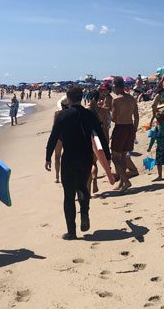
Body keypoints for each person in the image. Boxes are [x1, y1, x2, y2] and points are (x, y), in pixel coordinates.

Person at [46, 86, 111, 240]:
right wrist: (107, 157)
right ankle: (85, 212)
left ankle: (71, 232)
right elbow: (100, 137)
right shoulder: (89, 115)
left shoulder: (63, 116)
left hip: (69, 158)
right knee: (82, 187)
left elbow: (53, 137)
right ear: (81, 98)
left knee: (68, 195)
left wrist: (48, 157)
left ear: (68, 99)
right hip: (86, 158)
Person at [111, 76, 139, 193]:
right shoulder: (132, 99)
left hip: (120, 127)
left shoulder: (116, 100)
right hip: (130, 127)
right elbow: (136, 117)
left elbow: (113, 118)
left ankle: (126, 180)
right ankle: (122, 182)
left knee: (114, 157)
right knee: (123, 156)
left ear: (115, 87)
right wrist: (134, 130)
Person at [148, 112, 164, 181]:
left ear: (157, 121)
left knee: (159, 163)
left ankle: (160, 176)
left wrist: (150, 147)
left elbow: (152, 139)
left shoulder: (156, 129)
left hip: (159, 147)